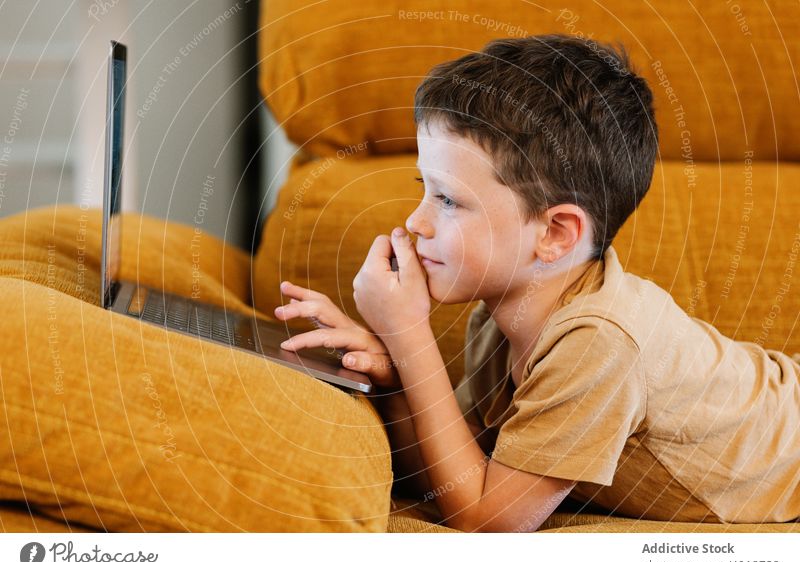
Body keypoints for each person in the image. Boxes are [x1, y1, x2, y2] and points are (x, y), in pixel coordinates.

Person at [272, 34, 800, 532]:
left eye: (448, 200)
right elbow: (448, 464)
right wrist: (393, 374)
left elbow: (489, 518)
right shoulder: (503, 317)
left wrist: (410, 335)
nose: (416, 223)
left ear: (554, 234)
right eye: (423, 188)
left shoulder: (599, 343)